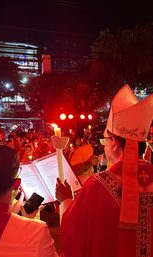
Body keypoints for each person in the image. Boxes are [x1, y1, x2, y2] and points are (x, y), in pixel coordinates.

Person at [56, 84, 153, 257]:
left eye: (106, 139)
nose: (104, 145)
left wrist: (65, 200)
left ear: (115, 145)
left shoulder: (98, 185)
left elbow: (73, 235)